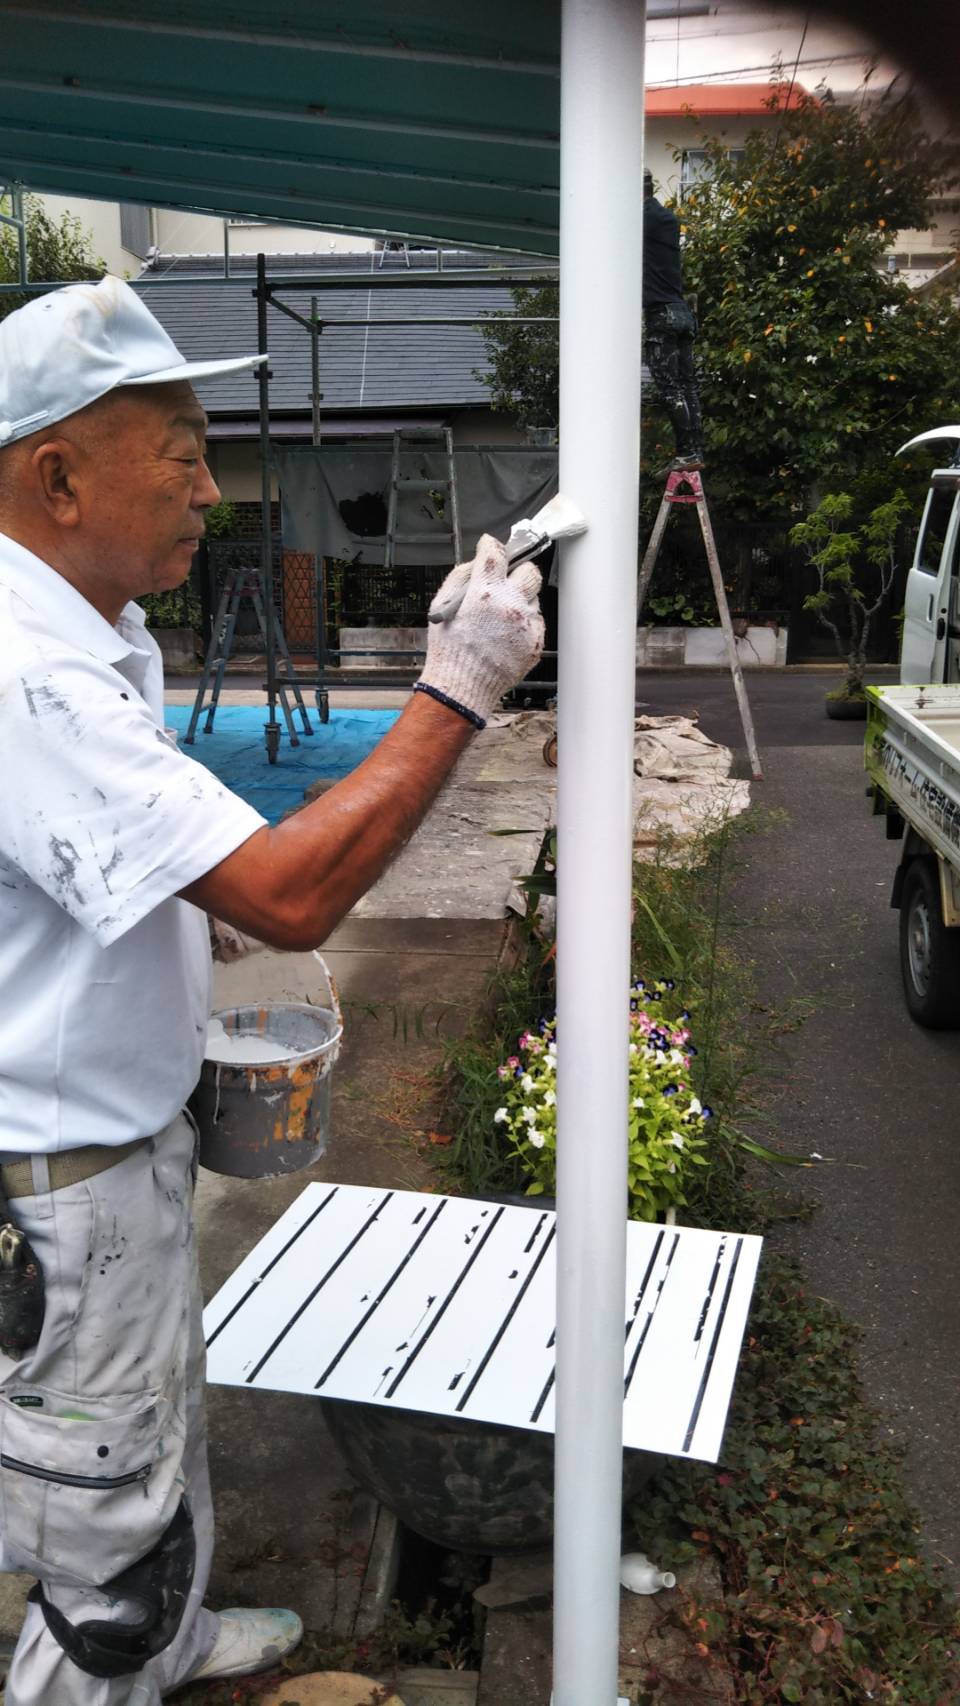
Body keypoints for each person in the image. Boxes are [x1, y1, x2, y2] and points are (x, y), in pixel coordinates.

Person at [0, 275, 544, 1706]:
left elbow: (95, 869)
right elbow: (296, 892)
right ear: (57, 475)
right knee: (97, 1545)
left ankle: (180, 1648)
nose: (206, 484)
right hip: (61, 1190)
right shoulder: (25, 675)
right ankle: (122, 1656)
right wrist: (455, 690)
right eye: (175, 450)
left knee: (153, 1437)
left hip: (109, 1160)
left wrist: (188, 922)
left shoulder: (87, 634)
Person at [642, 167, 705, 474]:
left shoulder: (642, 220)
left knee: (669, 387)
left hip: (662, 315)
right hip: (682, 312)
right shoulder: (667, 219)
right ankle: (695, 450)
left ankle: (685, 452)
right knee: (688, 385)